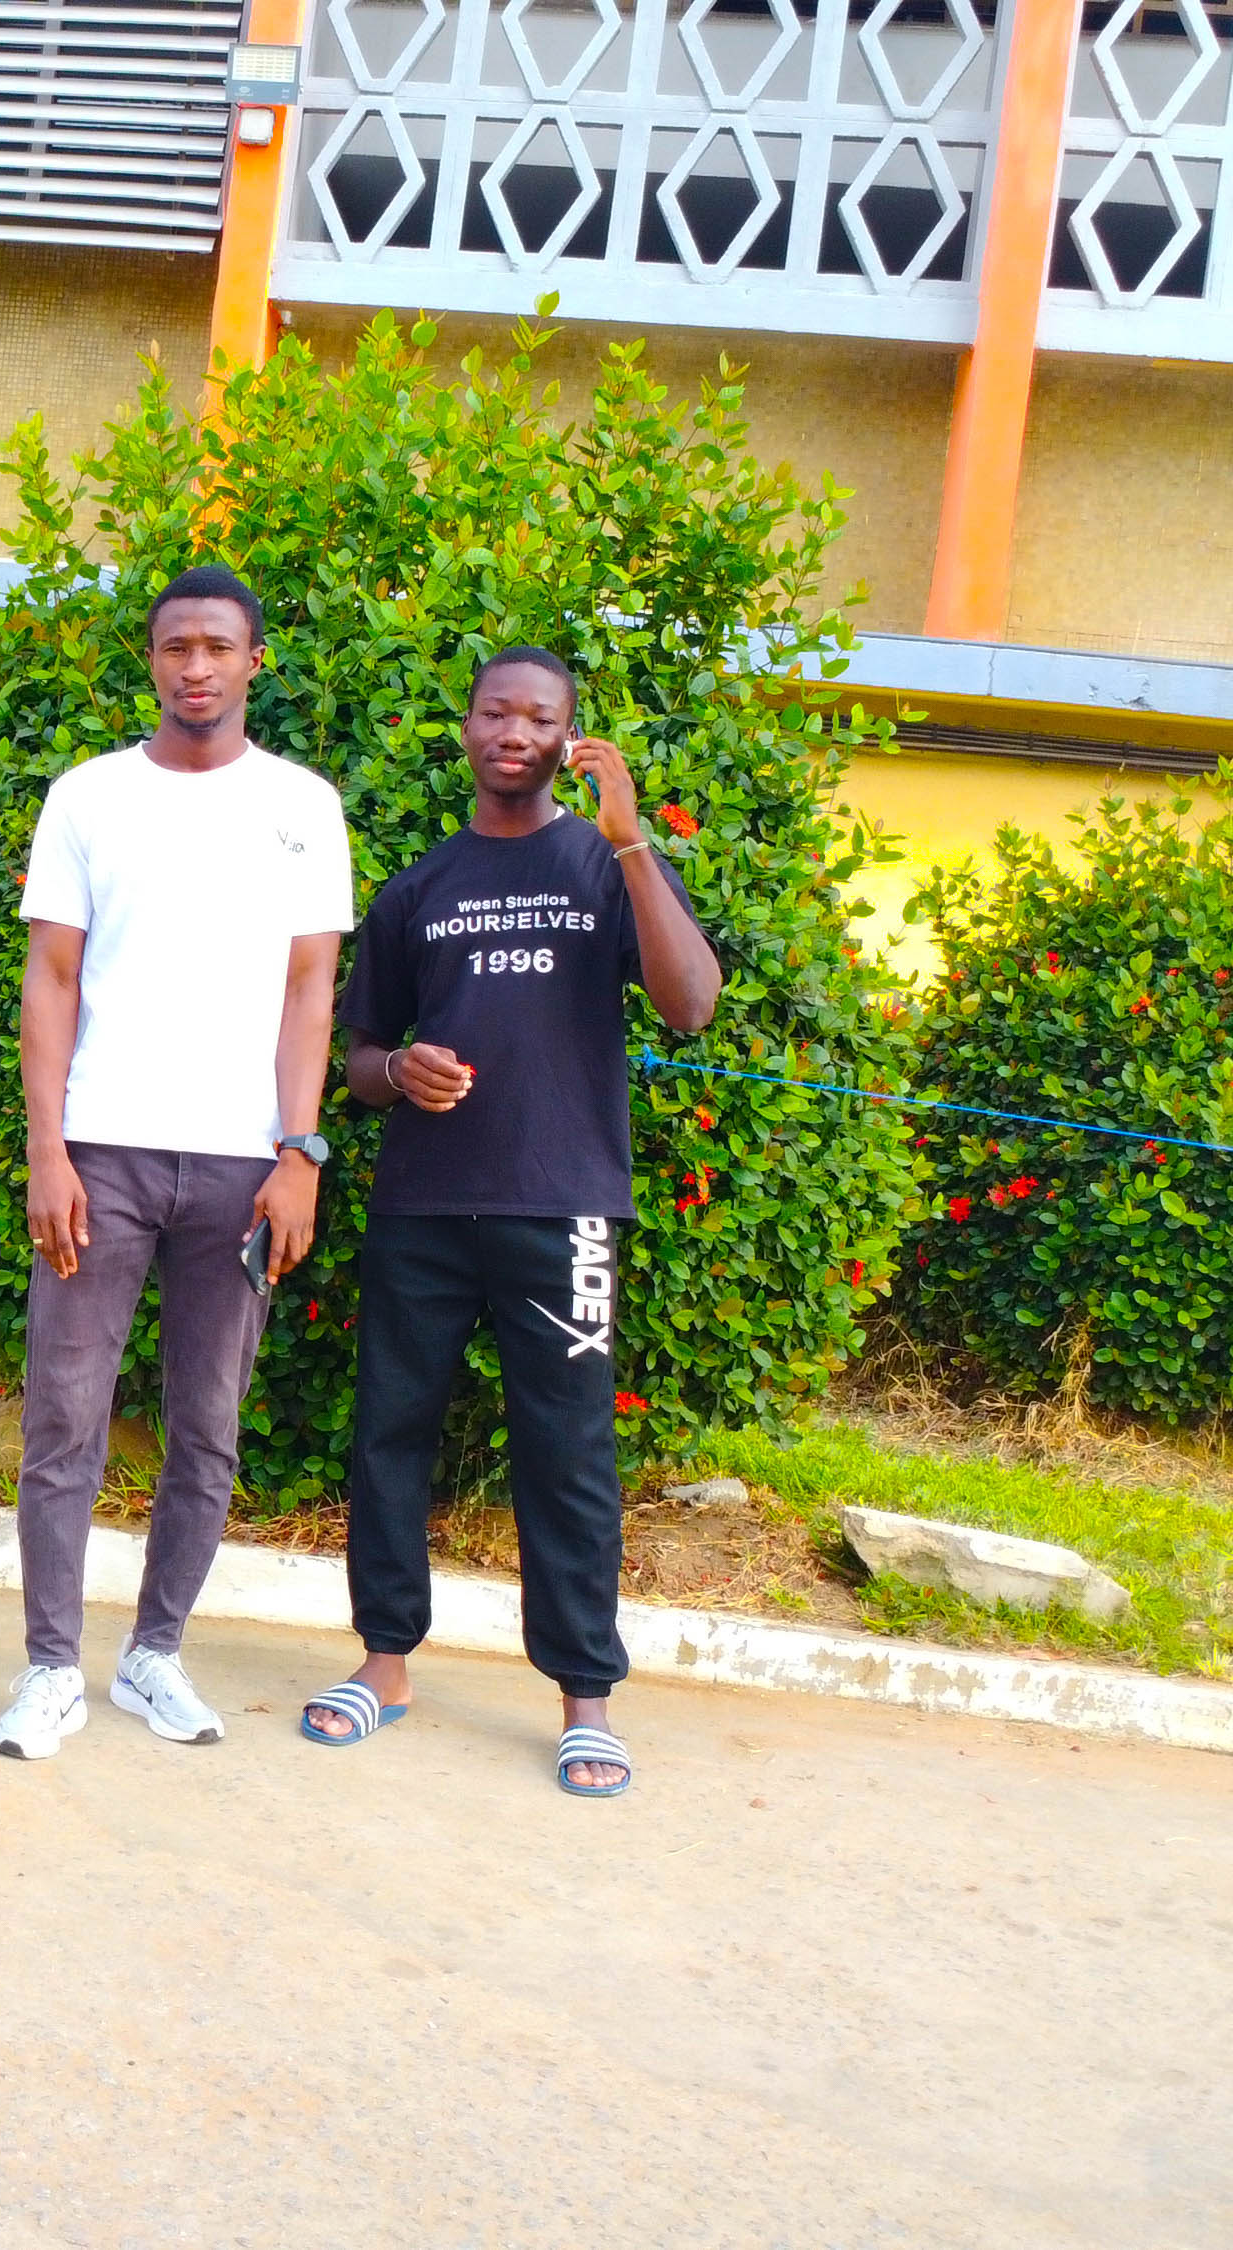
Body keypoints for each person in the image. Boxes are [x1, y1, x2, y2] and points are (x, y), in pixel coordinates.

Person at [301, 647, 720, 1796]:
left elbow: (690, 1003)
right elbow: (359, 1059)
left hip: (564, 1204)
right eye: (497, 712)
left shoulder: (602, 864)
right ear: (469, 727)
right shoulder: (419, 887)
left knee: (567, 1451)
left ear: (568, 738)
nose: (514, 733)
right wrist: (400, 1070)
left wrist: (629, 839)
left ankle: (586, 1700)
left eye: (540, 718)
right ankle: (384, 1663)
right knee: (389, 1433)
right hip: (424, 1206)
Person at [0, 563, 354, 1760]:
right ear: (151, 661)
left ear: (255, 662)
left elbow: (310, 992)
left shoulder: (302, 806)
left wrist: (298, 1152)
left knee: (206, 1425)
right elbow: (51, 976)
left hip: (243, 1170)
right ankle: (51, 1669)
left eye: (217, 646)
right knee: (63, 1419)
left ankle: (154, 1656)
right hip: (104, 1154)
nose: (195, 666)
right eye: (175, 646)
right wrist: (48, 1148)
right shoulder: (89, 797)